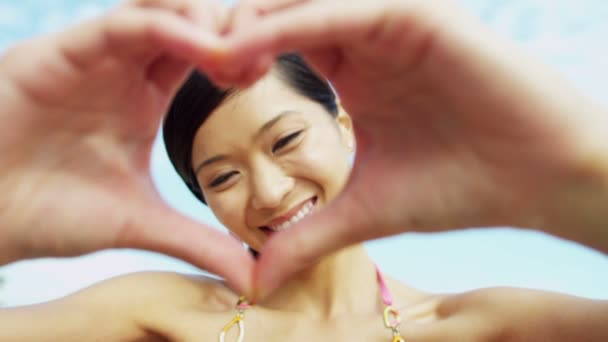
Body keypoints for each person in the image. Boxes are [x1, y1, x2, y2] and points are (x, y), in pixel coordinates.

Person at [1, 53, 606, 342]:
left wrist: (574, 176)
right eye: (223, 177)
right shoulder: (156, 316)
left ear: (345, 129)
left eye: (285, 140)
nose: (268, 191)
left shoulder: (479, 326)